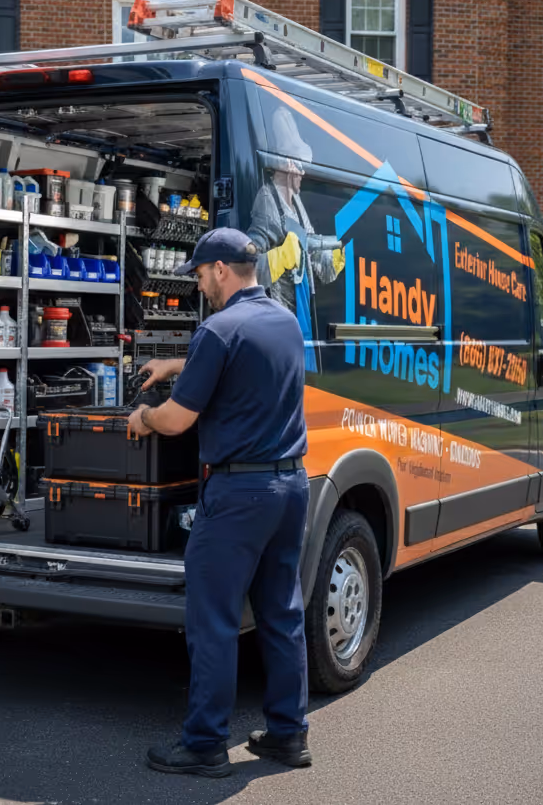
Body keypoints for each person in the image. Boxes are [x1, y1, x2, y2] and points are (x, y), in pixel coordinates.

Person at [127, 227, 312, 778]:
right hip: (290, 486)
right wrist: (177, 367)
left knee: (212, 620)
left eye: (201, 273)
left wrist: (146, 417)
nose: (199, 283)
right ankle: (287, 735)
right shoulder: (283, 321)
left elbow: (178, 419)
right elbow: (243, 364)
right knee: (282, 613)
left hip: (238, 495)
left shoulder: (216, 329)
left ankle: (205, 744)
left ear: (223, 270)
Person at [247, 105, 345, 372]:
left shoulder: (297, 204)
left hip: (300, 316)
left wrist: (331, 257)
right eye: (300, 166)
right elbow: (246, 270)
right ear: (288, 164)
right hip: (275, 322)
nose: (303, 173)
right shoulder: (268, 201)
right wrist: (280, 257)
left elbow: (313, 256)